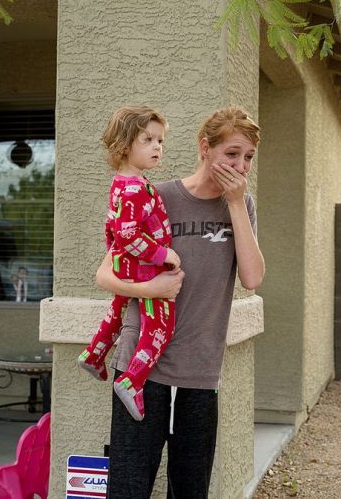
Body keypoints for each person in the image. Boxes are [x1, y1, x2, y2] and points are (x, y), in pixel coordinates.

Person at [95, 106, 265, 498]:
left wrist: (236, 204)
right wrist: (151, 290)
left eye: (248, 157)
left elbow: (252, 278)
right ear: (205, 148)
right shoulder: (159, 195)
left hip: (200, 371)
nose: (241, 165)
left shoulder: (242, 207)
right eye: (232, 154)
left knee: (190, 489)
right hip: (141, 371)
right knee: (129, 487)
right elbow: (105, 274)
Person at [77, 105, 181, 422]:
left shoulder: (123, 182)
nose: (157, 147)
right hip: (144, 266)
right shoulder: (135, 188)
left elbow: (113, 230)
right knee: (161, 325)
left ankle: (94, 354)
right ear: (124, 144)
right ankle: (132, 381)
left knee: (119, 307)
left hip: (128, 265)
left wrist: (123, 262)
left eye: (160, 141)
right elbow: (127, 235)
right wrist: (165, 255)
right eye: (148, 139)